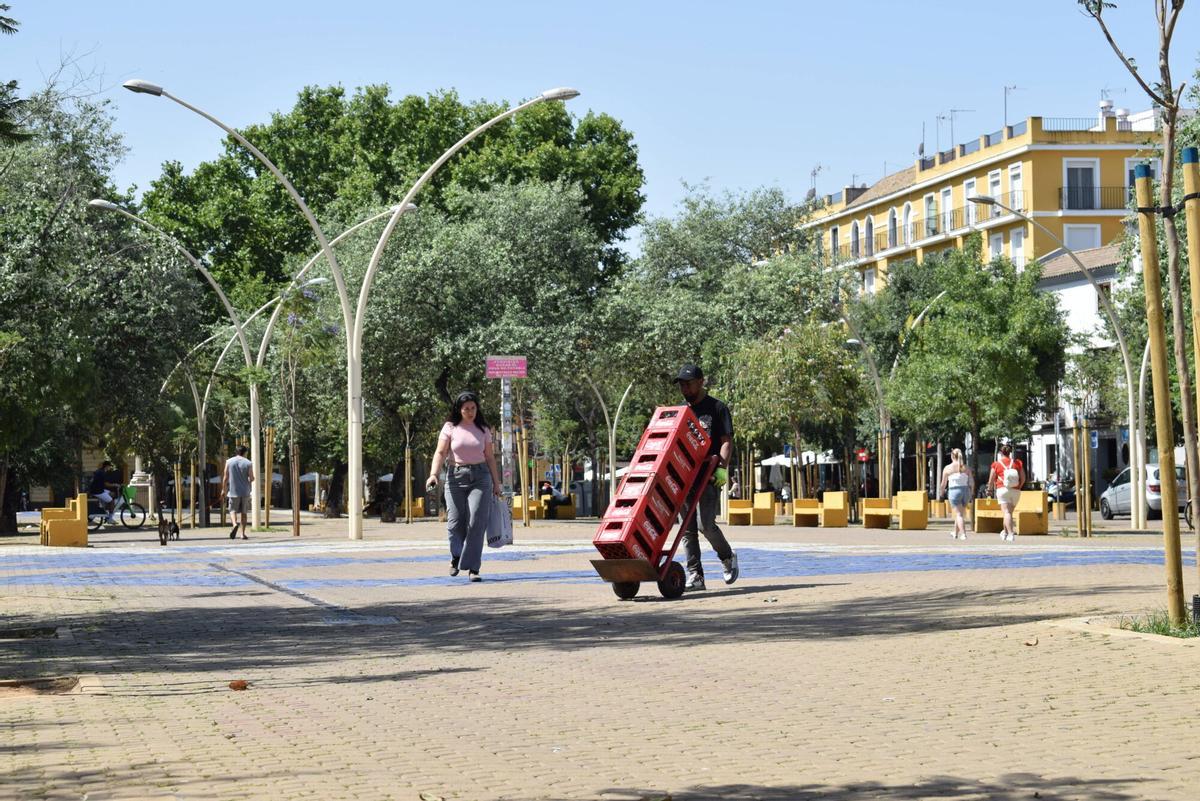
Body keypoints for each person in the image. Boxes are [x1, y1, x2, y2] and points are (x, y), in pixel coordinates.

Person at [674, 364, 738, 590]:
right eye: (681, 385)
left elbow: (726, 441)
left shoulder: (717, 408)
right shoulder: (681, 411)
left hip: (709, 475)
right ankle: (695, 575)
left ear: (701, 382)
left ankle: (727, 557)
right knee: (687, 529)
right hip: (684, 476)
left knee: (706, 525)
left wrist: (722, 468)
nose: (684, 389)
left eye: (688, 384)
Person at [427, 391, 502, 581]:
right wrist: (433, 474)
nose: (470, 412)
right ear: (459, 410)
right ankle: (456, 556)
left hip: (481, 477)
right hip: (455, 477)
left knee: (477, 520)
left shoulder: (483, 429)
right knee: (455, 523)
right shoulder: (450, 427)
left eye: (473, 408)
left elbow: (490, 457)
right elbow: (440, 452)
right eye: (466, 409)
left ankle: (473, 568)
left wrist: (496, 483)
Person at [988, 441, 1025, 541]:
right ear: (1010, 453)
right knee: (1008, 513)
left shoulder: (996, 464)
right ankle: (1004, 532)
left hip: (1002, 489)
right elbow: (1023, 478)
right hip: (1016, 491)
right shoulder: (1017, 463)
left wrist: (989, 490)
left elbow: (991, 479)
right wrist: (1018, 487)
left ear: (1000, 453)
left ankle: (1011, 534)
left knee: (1007, 512)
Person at [938, 448, 974, 540]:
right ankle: (955, 532)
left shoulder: (947, 468)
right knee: (960, 513)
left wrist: (941, 493)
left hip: (954, 491)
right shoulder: (966, 468)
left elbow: (943, 483)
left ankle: (963, 534)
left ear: (952, 456)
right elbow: (971, 482)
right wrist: (971, 492)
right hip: (965, 491)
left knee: (959, 514)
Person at [221, 445, 255, 540]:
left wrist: (223, 489)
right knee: (244, 513)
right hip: (245, 492)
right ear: (245, 452)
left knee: (232, 510)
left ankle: (234, 524)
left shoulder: (229, 461)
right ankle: (242, 534)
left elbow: (225, 477)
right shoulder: (248, 463)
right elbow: (252, 478)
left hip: (233, 491)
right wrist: (249, 479)